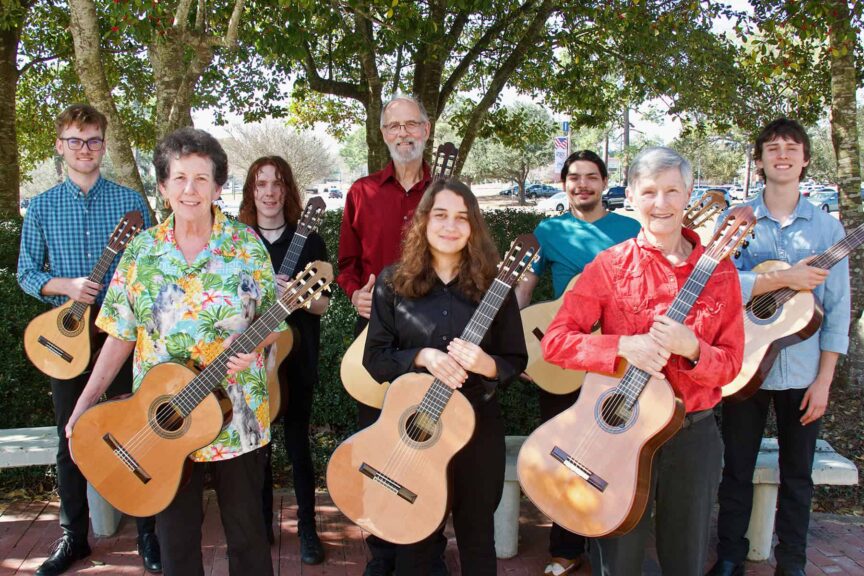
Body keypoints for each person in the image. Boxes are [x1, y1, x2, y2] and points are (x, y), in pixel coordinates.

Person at [65, 128, 287, 576]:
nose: (190, 190)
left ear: (218, 187)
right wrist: (85, 403)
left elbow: (274, 325)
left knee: (248, 537)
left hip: (236, 415)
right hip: (161, 423)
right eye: (179, 178)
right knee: (175, 545)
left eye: (202, 179)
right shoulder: (141, 251)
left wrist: (254, 347)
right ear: (163, 187)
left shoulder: (247, 247)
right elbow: (120, 335)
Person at [542, 147, 745, 576]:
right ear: (631, 195)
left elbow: (730, 366)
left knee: (685, 559)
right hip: (618, 435)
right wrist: (621, 347)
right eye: (649, 191)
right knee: (616, 560)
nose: (661, 203)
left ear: (689, 193)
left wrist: (693, 348)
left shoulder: (721, 272)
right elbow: (556, 343)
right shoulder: (610, 266)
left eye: (673, 191)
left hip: (692, 436)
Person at [17, 104, 160, 576]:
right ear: (60, 146)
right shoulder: (41, 206)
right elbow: (26, 273)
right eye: (76, 140)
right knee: (70, 435)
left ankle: (147, 535)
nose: (85, 149)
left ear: (104, 144)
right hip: (68, 338)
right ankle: (73, 537)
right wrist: (68, 286)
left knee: (133, 431)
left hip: (122, 333)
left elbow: (150, 269)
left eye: (94, 140)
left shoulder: (129, 205)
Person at [363, 178, 528, 576]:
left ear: (473, 226)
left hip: (477, 429)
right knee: (414, 542)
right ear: (423, 222)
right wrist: (423, 356)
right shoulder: (393, 282)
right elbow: (375, 359)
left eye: (461, 217)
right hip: (415, 431)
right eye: (440, 215)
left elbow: (514, 359)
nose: (450, 226)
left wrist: (485, 363)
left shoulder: (495, 285)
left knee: (477, 536)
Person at [707, 119, 850, 576]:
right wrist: (780, 278)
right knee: (736, 469)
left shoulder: (827, 229)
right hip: (745, 366)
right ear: (760, 159)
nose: (782, 155)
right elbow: (714, 284)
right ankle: (729, 555)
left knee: (798, 476)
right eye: (773, 148)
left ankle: (792, 562)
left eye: (792, 148)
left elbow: (838, 309)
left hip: (805, 372)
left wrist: (825, 380)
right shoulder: (737, 221)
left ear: (806, 159)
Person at [514, 150, 640, 575]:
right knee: (565, 451)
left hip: (619, 357)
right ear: (564, 183)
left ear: (605, 182)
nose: (582, 184)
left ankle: (611, 544)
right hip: (564, 358)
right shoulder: (548, 231)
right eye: (574, 177)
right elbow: (525, 291)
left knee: (616, 451)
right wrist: (521, 349)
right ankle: (565, 547)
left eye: (591, 177)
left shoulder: (631, 229)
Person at [336, 94, 442, 575]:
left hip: (435, 337)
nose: (403, 134)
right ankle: (382, 551)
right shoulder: (361, 192)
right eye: (394, 126)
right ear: (383, 134)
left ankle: (428, 550)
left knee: (428, 444)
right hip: (374, 338)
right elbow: (347, 263)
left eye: (411, 125)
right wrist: (355, 291)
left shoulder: (447, 190)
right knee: (378, 443)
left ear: (426, 128)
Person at [237, 156, 330, 564]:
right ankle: (259, 525)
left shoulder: (307, 239)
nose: (269, 192)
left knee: (296, 446)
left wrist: (297, 292)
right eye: (261, 184)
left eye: (277, 184)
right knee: (256, 447)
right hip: (251, 360)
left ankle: (307, 529)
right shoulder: (238, 239)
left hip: (297, 357)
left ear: (288, 190)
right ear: (251, 191)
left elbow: (324, 305)